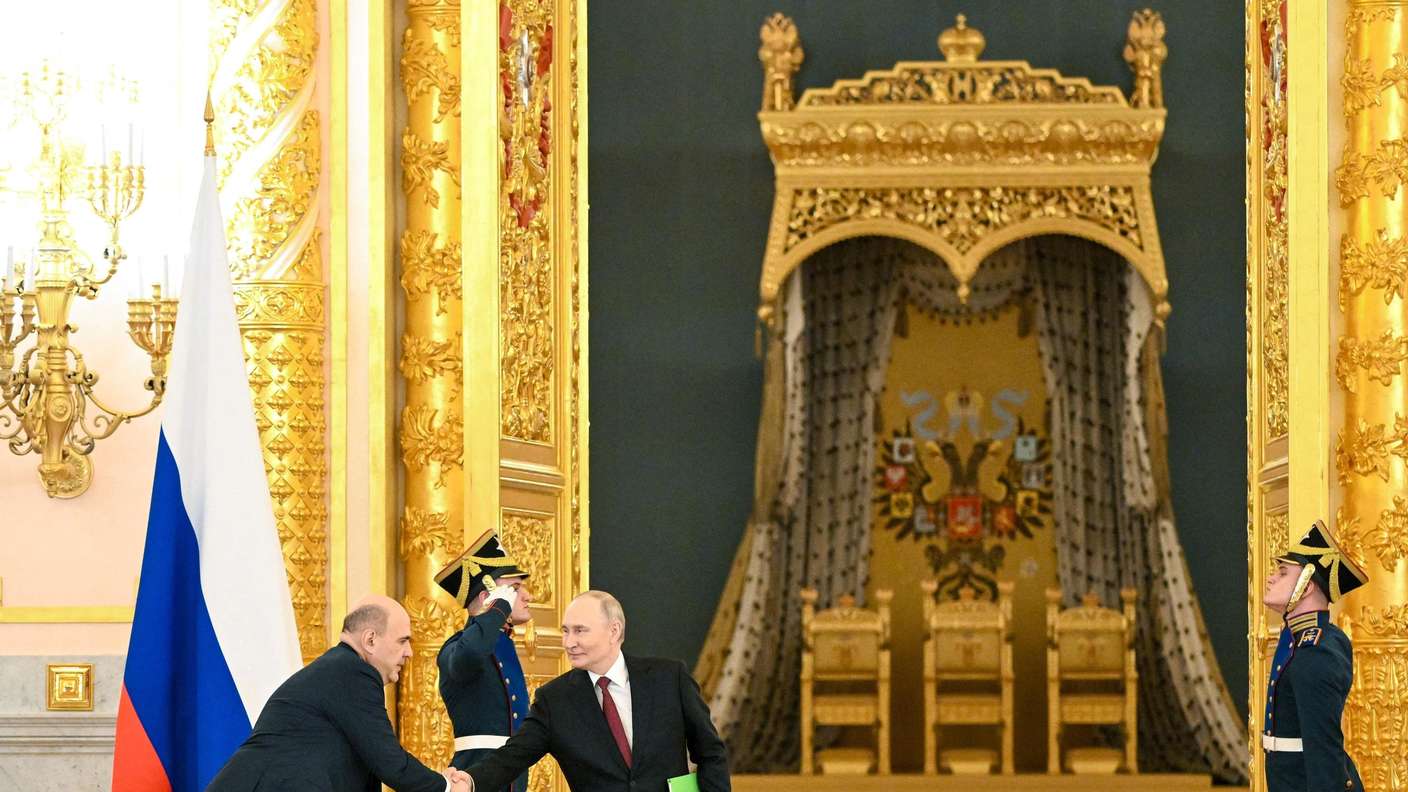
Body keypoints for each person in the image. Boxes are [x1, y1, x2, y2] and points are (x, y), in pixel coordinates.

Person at [462, 590, 730, 792]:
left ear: (614, 631)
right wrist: (469, 781)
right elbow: (510, 758)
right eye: (565, 631)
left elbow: (711, 753)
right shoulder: (554, 700)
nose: (569, 642)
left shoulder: (670, 678)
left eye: (580, 631)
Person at [206, 594, 471, 792]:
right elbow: (390, 762)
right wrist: (446, 787)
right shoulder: (352, 673)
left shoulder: (342, 669)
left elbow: (372, 763)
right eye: (402, 641)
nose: (409, 653)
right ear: (370, 640)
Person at [1261, 519, 1368, 792]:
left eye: (1283, 572)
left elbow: (1323, 752)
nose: (1271, 577)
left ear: (1306, 587)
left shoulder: (1317, 650)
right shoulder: (1298, 640)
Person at [435, 530, 535, 791]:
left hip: (511, 776)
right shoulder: (456, 647)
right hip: (476, 776)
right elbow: (468, 656)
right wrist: (498, 609)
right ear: (486, 597)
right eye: (514, 589)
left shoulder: (503, 644)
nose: (527, 596)